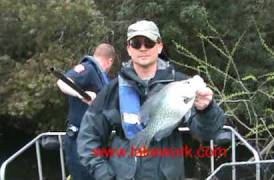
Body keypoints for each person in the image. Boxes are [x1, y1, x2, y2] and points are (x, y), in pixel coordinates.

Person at [77, 20, 225, 180]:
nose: (143, 48)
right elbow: (87, 139)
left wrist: (206, 109)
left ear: (159, 46)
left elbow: (208, 133)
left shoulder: (181, 85)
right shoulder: (111, 91)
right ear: (129, 48)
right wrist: (104, 174)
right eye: (136, 43)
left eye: (148, 42)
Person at [56, 43, 116, 180]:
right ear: (110, 60)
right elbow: (62, 82)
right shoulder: (88, 69)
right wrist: (81, 94)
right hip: (79, 141)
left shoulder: (101, 77)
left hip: (95, 140)